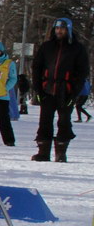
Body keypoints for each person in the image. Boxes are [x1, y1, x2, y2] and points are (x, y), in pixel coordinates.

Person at [30, 17, 89, 162]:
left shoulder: (77, 48)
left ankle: (61, 152)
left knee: (64, 121)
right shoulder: (47, 47)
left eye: (62, 28)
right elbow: (37, 67)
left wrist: (74, 92)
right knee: (45, 120)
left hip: (66, 91)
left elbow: (82, 72)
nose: (59, 31)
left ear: (68, 30)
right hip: (47, 89)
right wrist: (37, 89)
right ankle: (43, 152)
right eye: (57, 28)